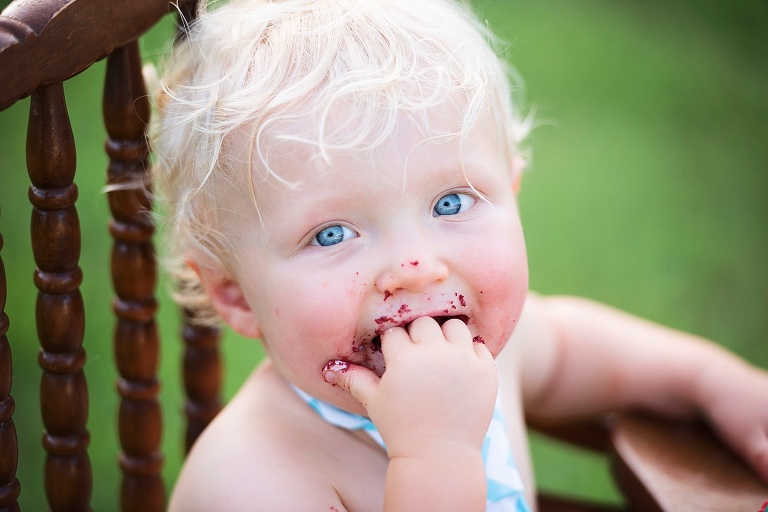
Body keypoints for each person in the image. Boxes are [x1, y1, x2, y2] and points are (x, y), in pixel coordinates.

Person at [151, 0, 768, 510]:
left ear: (513, 191)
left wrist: (715, 384)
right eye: (332, 234)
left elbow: (574, 351)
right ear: (235, 294)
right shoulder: (256, 480)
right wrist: (435, 455)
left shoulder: (486, 347)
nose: (416, 267)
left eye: (450, 203)